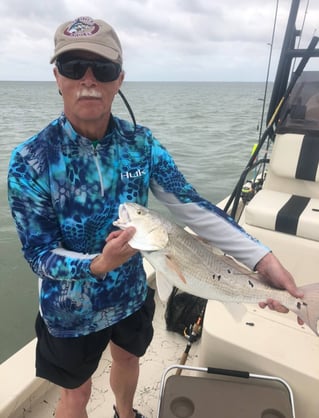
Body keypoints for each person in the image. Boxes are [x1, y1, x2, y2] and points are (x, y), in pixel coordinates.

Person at [7, 16, 303, 418]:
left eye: (104, 69)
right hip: (70, 310)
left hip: (130, 295)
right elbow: (39, 253)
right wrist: (98, 264)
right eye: (75, 67)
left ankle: (125, 414)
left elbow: (191, 206)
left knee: (128, 361)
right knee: (75, 393)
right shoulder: (31, 160)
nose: (89, 79)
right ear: (57, 76)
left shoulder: (140, 144)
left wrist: (263, 259)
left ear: (120, 78)